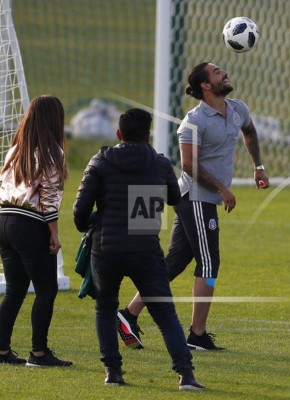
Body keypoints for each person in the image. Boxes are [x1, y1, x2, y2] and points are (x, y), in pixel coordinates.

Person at [117, 62, 270, 351]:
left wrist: (258, 167)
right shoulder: (193, 121)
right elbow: (188, 165)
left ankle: (127, 314)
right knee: (209, 264)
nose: (225, 72)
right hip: (195, 198)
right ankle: (197, 335)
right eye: (217, 72)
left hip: (205, 199)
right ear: (206, 86)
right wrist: (222, 188)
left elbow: (250, 132)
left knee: (174, 262)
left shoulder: (238, 110)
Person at [73, 108, 203, 389]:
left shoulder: (101, 161)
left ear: (119, 134)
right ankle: (186, 374)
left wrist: (89, 227)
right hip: (145, 247)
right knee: (165, 313)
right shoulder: (159, 163)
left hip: (106, 247)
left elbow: (80, 209)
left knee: (105, 308)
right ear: (148, 135)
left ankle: (113, 372)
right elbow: (172, 197)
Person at [0, 95, 72, 367]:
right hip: (29, 224)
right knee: (46, 288)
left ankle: (2, 350)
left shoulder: (15, 149)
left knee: (15, 289)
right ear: (55, 120)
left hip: (4, 220)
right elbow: (49, 197)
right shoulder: (52, 151)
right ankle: (39, 353)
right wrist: (54, 233)